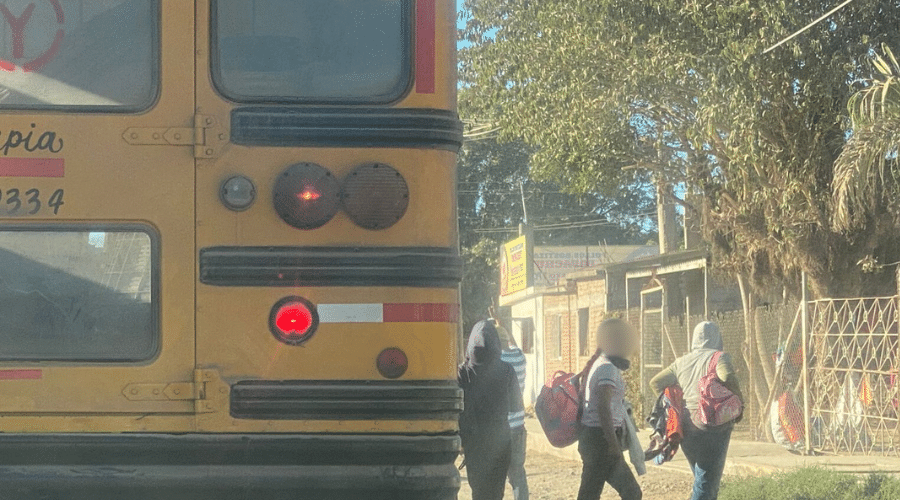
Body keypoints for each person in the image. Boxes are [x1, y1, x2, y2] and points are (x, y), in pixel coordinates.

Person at [650, 321, 744, 500]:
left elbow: (655, 382)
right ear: (717, 337)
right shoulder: (719, 357)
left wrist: (674, 400)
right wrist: (740, 402)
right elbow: (728, 377)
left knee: (702, 477)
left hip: (685, 426)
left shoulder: (681, 362)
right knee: (706, 482)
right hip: (711, 426)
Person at [577, 318, 642, 500]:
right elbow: (603, 408)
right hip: (601, 440)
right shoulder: (607, 368)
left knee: (589, 495)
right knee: (632, 492)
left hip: (595, 438)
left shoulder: (602, 363)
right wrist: (613, 444)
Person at [459, 320, 525, 500]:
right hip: (501, 442)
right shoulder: (507, 370)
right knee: (496, 494)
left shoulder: (462, 373)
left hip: (474, 444)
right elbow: (516, 406)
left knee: (479, 493)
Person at [497, 322, 529, 500]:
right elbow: (514, 343)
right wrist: (502, 323)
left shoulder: (497, 360)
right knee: (517, 475)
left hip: (500, 427)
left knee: (497, 476)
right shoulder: (519, 356)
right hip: (518, 426)